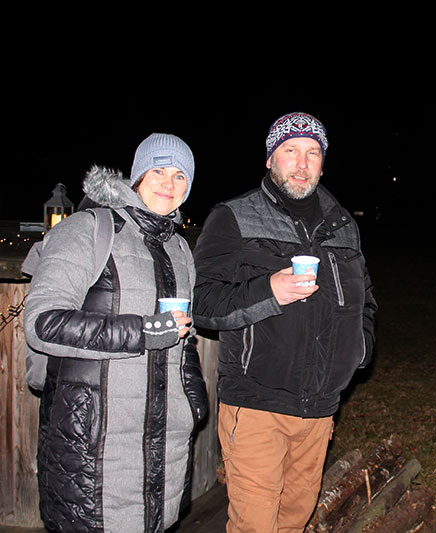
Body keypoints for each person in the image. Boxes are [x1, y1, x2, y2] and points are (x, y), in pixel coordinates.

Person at [192, 112, 377, 532]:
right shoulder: (234, 217)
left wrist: (359, 350)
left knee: (294, 520)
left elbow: (365, 299)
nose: (301, 162)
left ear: (323, 163)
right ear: (270, 160)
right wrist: (268, 291)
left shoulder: (343, 224)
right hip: (256, 403)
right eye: (290, 150)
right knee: (255, 525)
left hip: (320, 409)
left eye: (312, 152)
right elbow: (202, 302)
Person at [24, 133, 208, 531]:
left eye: (180, 176)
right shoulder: (88, 229)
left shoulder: (179, 248)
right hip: (95, 444)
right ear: (138, 175)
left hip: (164, 442)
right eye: (159, 170)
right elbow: (42, 324)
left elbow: (181, 334)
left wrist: (193, 400)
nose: (168, 183)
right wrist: (141, 332)